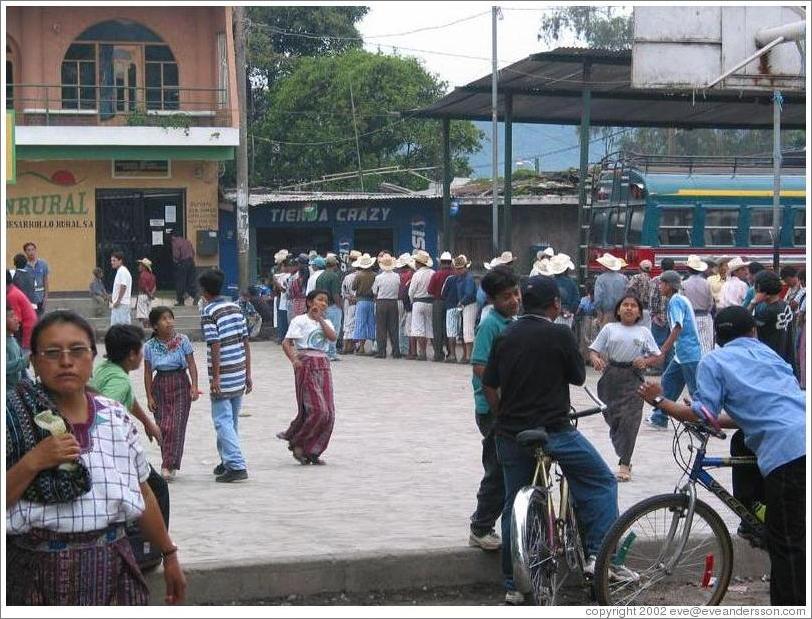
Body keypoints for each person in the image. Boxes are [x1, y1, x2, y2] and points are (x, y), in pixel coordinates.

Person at [6, 311, 186, 605]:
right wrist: (33, 461)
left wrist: (169, 554)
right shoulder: (13, 418)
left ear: (92, 358)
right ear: (35, 362)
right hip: (33, 571)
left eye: (77, 351)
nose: (66, 361)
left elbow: (141, 492)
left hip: (112, 565)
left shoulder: (114, 415)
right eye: (52, 353)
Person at [638, 306, 805, 606]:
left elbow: (703, 415)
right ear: (753, 332)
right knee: (742, 442)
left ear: (717, 336)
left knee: (789, 549)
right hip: (799, 435)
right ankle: (758, 512)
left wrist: (660, 401)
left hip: (788, 452)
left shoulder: (714, 360)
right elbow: (757, 413)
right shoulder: (769, 355)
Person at [482, 276, 629, 604]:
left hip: (511, 434)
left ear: (524, 301)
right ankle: (598, 557)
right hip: (555, 431)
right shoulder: (560, 333)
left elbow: (489, 384)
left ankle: (511, 583)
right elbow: (578, 377)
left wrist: (504, 414)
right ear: (555, 305)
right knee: (600, 481)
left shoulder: (504, 335)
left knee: (512, 500)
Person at [468, 268, 520, 553]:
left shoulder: (511, 321)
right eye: (506, 297)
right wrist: (499, 404)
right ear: (492, 299)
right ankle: (480, 526)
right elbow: (479, 365)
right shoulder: (490, 324)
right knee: (497, 467)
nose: (513, 300)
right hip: (492, 409)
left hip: (510, 406)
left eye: (515, 293)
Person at [589, 295, 660, 482]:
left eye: (633, 306)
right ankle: (623, 450)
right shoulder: (609, 329)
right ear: (618, 310)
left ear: (639, 312)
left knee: (630, 422)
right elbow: (593, 350)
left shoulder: (644, 332)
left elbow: (657, 356)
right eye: (625, 305)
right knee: (614, 420)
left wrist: (645, 361)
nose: (629, 308)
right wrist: (595, 359)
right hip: (611, 378)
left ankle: (625, 462)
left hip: (633, 379)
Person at [199, 268, 253, 483]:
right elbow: (245, 341)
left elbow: (215, 344)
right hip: (239, 370)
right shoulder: (235, 307)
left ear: (204, 291)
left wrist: (216, 378)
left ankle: (237, 464)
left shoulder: (209, 311)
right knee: (230, 420)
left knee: (222, 421)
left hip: (224, 372)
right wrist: (248, 372)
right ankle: (227, 460)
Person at [278, 290, 337, 465]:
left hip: (323, 365)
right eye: (320, 300)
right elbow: (286, 342)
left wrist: (319, 319)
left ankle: (313, 450)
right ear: (310, 302)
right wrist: (294, 359)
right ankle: (297, 440)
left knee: (329, 413)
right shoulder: (299, 320)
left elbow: (332, 337)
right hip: (307, 364)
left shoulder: (326, 322)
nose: (323, 303)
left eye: (326, 301)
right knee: (318, 410)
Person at [144, 306, 200, 481]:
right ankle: (168, 461)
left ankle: (167, 465)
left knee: (176, 426)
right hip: (160, 384)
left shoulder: (183, 340)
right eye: (163, 319)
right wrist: (149, 396)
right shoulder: (149, 346)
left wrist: (194, 386)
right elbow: (147, 372)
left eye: (170, 318)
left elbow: (191, 364)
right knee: (163, 427)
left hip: (180, 384)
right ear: (155, 326)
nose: (169, 322)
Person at [88, 324, 163, 445]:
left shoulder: (105, 366)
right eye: (141, 349)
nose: (142, 354)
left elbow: (129, 398)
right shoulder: (120, 381)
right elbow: (105, 409)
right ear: (132, 354)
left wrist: (147, 423)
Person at [647, 271, 702, 429]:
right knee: (668, 382)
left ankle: (702, 418)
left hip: (688, 352)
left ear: (669, 286)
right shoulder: (680, 299)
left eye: (662, 284)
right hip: (682, 353)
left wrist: (664, 349)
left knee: (695, 389)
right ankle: (660, 416)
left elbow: (678, 326)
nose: (660, 287)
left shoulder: (675, 301)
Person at [752, 271, 796, 369]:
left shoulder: (766, 311)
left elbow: (744, 322)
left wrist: (753, 302)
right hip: (786, 355)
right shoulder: (784, 305)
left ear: (760, 288)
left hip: (770, 358)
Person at [682, 255, 715, 355]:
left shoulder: (683, 284)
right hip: (705, 317)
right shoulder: (707, 283)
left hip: (690, 318)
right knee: (706, 345)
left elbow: (682, 303)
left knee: (691, 344)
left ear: (688, 269)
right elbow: (711, 303)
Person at [648, 258, 675, 374]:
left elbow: (652, 299)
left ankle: (657, 367)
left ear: (661, 267)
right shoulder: (676, 280)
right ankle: (669, 367)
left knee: (657, 344)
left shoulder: (655, 280)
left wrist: (654, 315)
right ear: (673, 267)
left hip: (658, 318)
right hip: (672, 319)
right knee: (670, 344)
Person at [372, 254, 401, 359]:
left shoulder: (379, 277)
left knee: (381, 328)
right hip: (393, 302)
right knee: (393, 327)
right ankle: (396, 351)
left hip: (381, 302)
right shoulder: (397, 276)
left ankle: (382, 351)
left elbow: (375, 291)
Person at [408, 250, 435, 361]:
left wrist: (412, 301)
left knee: (418, 329)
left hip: (418, 302)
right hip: (430, 302)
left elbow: (411, 291)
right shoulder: (433, 273)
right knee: (430, 327)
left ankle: (422, 352)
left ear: (419, 263)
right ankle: (435, 352)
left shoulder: (416, 274)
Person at [316, 255, 344, 361]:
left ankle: (325, 352)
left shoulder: (320, 277)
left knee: (324, 330)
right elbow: (336, 294)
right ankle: (331, 353)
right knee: (334, 330)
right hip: (332, 306)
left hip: (321, 307)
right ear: (335, 265)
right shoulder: (334, 276)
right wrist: (340, 306)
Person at [428, 252, 454, 361]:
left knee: (437, 329)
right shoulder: (454, 274)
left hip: (438, 302)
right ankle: (450, 352)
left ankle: (438, 353)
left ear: (441, 263)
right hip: (451, 303)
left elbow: (430, 290)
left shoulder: (436, 274)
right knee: (449, 328)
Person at [593, 253, 628, 328]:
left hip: (607, 314)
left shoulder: (600, 279)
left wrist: (599, 313)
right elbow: (627, 295)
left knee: (606, 337)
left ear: (605, 266)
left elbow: (598, 298)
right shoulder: (624, 278)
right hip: (622, 313)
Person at [351, 253, 377, 355]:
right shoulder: (375, 275)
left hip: (361, 301)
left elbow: (353, 287)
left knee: (361, 323)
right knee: (372, 323)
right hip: (371, 301)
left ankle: (361, 348)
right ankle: (373, 347)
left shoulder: (359, 275)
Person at [7, 270, 38, 354]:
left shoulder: (11, 296)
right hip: (28, 327)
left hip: (26, 330)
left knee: (22, 356)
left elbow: (16, 321)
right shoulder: (13, 289)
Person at [454, 255, 478, 364]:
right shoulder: (461, 278)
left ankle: (469, 355)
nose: (458, 270)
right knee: (465, 330)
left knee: (468, 330)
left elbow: (469, 294)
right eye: (457, 268)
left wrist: (461, 302)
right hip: (465, 305)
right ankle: (468, 355)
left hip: (470, 304)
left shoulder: (469, 278)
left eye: (460, 268)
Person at [549, 253, 579, 328]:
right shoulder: (571, 283)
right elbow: (576, 300)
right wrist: (569, 311)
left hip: (553, 316)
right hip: (568, 317)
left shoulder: (549, 282)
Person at [396, 253, 416, 359]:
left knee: (401, 325)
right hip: (406, 301)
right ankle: (404, 348)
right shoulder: (409, 275)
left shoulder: (400, 275)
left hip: (399, 300)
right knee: (404, 325)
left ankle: (402, 347)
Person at [169, 231, 197, 307]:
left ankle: (180, 301)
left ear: (172, 236)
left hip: (183, 263)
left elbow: (176, 255)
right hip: (191, 262)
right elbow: (193, 252)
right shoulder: (187, 241)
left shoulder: (175, 242)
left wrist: (176, 262)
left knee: (180, 282)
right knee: (191, 281)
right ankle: (195, 298)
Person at [441, 260, 461, 363]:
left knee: (451, 332)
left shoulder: (450, 279)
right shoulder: (465, 278)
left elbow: (443, 293)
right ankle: (464, 355)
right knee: (461, 332)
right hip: (462, 307)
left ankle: (453, 355)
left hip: (451, 307)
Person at [23, 241, 50, 316]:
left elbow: (46, 281)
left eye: (32, 249)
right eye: (28, 250)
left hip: (40, 298)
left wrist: (45, 298)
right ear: (25, 252)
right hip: (29, 299)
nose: (31, 252)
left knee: (40, 321)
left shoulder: (43, 264)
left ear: (35, 250)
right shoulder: (23, 265)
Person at [625, 259, 653, 329]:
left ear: (640, 268)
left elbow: (629, 290)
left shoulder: (635, 278)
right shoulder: (651, 280)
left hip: (636, 308)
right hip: (647, 310)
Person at [272, 250, 292, 344]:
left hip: (285, 299)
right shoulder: (281, 274)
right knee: (281, 319)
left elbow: (283, 290)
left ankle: (284, 338)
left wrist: (276, 282)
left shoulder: (288, 276)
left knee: (283, 319)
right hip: (281, 299)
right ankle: (281, 337)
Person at [109, 251, 133, 326]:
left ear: (120, 261)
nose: (112, 262)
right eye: (111, 260)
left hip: (121, 304)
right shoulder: (120, 271)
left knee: (120, 328)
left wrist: (118, 301)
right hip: (120, 304)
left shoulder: (122, 271)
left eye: (114, 260)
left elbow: (123, 286)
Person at [6, 306, 27, 388]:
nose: (17, 319)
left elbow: (22, 371)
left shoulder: (12, 339)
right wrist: (27, 360)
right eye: (11, 316)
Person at [135, 258, 157, 329]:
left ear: (144, 267)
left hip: (143, 296)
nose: (138, 267)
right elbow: (154, 287)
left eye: (140, 265)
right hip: (149, 297)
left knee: (142, 316)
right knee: (148, 314)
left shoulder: (142, 275)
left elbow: (144, 286)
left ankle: (146, 330)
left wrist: (149, 293)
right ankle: (150, 329)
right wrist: (151, 294)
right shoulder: (152, 275)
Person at [288, 253, 311, 318]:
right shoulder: (311, 272)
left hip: (300, 304)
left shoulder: (297, 276)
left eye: (298, 263)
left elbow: (291, 293)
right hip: (307, 303)